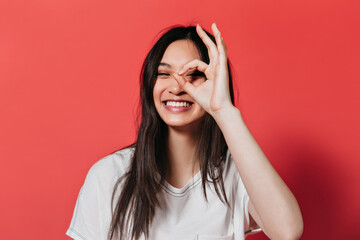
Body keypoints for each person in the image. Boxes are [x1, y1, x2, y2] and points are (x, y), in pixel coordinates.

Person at [66, 23, 303, 240]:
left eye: (194, 75)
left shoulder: (238, 174)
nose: (177, 87)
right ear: (150, 83)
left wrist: (224, 111)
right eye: (164, 74)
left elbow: (287, 231)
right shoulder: (109, 175)